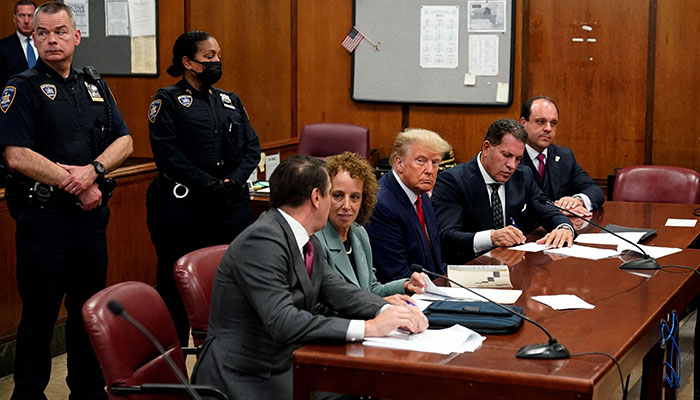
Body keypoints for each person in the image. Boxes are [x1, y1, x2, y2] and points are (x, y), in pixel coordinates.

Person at [191, 155, 427, 400]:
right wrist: (368, 328)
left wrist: (386, 310)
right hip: (248, 373)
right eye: (331, 194)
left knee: (372, 384)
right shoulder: (263, 240)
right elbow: (284, 321)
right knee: (366, 387)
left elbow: (337, 289)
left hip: (286, 359)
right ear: (317, 197)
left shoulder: (305, 239)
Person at [0, 2, 133, 399]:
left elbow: (124, 140)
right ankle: (28, 393)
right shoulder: (20, 87)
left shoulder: (94, 83)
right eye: (42, 32)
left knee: (87, 312)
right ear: (33, 37)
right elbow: (16, 155)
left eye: (59, 31)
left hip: (89, 223)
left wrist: (93, 170)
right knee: (39, 318)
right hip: (44, 223)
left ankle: (87, 390)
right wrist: (76, 182)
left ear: (76, 37)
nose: (51, 39)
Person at [146, 30, 260, 346]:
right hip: (184, 211)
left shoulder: (230, 100)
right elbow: (168, 155)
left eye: (218, 56)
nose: (216, 62)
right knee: (176, 291)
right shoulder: (166, 100)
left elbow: (252, 147)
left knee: (229, 289)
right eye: (209, 57)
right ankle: (174, 373)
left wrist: (232, 182)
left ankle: (223, 364)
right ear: (188, 62)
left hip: (229, 209)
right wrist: (207, 184)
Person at [432, 119, 573, 263]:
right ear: (486, 148)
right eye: (506, 155)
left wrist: (564, 227)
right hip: (469, 269)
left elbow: (547, 209)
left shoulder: (523, 176)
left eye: (518, 159)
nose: (512, 165)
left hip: (513, 266)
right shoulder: (452, 181)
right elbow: (447, 237)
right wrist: (491, 237)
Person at [314, 152, 427, 304]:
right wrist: (380, 305)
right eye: (338, 195)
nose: (347, 206)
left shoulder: (359, 233)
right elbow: (325, 304)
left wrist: (406, 285)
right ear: (323, 196)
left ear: (364, 200)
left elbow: (370, 289)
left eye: (354, 197)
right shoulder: (315, 241)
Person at [365, 128, 451, 282]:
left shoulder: (421, 194)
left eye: (435, 162)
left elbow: (435, 261)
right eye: (421, 161)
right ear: (399, 163)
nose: (430, 170)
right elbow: (394, 274)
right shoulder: (382, 205)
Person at [519, 96, 604, 217]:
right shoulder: (510, 158)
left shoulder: (564, 156)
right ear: (523, 123)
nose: (548, 129)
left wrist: (577, 201)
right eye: (541, 122)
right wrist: (555, 210)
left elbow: (595, 191)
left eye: (553, 123)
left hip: (563, 230)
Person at [0, 1, 36, 89]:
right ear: (14, 18)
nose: (26, 21)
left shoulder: (46, 43)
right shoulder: (2, 47)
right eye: (22, 16)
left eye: (30, 16)